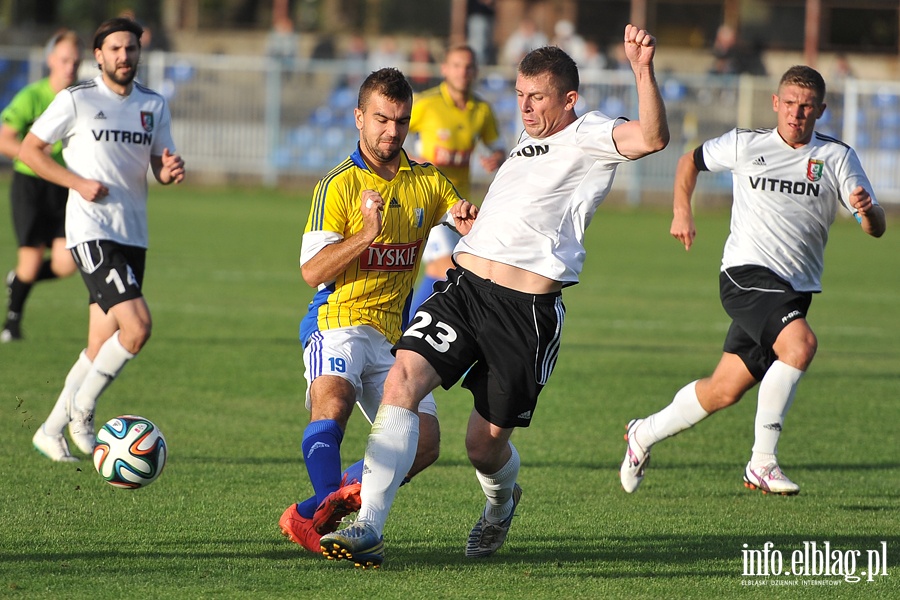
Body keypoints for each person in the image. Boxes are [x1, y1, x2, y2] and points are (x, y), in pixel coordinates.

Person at [320, 24, 669, 568]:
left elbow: (652, 138)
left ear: (569, 99)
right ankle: (369, 526)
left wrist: (642, 68)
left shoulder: (592, 134)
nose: (525, 108)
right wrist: (463, 216)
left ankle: (501, 504)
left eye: (538, 98)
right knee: (402, 380)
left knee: (482, 447)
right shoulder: (525, 146)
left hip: (524, 315)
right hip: (463, 290)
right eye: (520, 95)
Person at [620, 65, 886, 497]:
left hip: (793, 290)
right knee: (800, 346)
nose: (797, 114)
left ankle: (642, 434)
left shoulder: (836, 158)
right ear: (775, 104)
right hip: (745, 275)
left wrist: (867, 210)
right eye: (790, 105)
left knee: (724, 390)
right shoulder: (746, 144)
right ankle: (761, 462)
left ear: (820, 110)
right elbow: (690, 161)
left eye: (807, 107)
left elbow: (874, 227)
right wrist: (681, 210)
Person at [278, 67, 478, 554]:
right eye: (382, 120)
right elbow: (312, 271)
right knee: (333, 403)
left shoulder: (426, 181)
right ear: (359, 118)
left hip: (393, 334)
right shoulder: (338, 186)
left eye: (401, 121)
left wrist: (468, 220)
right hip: (338, 319)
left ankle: (309, 512)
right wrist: (366, 234)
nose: (392, 131)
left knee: (425, 444)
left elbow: (460, 216)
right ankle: (330, 512)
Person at [20, 17, 185, 462]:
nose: (123, 56)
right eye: (115, 49)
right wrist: (76, 182)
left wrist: (168, 173)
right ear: (99, 55)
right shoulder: (75, 99)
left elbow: (159, 166)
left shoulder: (153, 104)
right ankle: (83, 412)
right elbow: (29, 150)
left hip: (134, 234)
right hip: (91, 230)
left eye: (130, 49)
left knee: (99, 344)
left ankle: (50, 430)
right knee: (138, 327)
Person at [407, 44, 506, 314]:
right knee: (443, 268)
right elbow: (392, 139)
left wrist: (497, 157)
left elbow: (498, 147)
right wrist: (413, 160)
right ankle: (407, 333)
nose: (463, 72)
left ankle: (415, 328)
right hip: (427, 200)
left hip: (459, 207)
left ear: (475, 71)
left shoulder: (481, 110)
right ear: (445, 69)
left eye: (468, 66)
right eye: (457, 65)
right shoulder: (427, 104)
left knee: (451, 269)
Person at [0, 30, 84, 343]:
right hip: (30, 185)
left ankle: (19, 279)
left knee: (66, 264)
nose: (70, 67)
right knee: (31, 263)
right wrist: (32, 151)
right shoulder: (32, 97)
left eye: (76, 61)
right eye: (64, 59)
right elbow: (4, 139)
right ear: (51, 60)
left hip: (63, 185)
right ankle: (12, 324)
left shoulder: (81, 98)